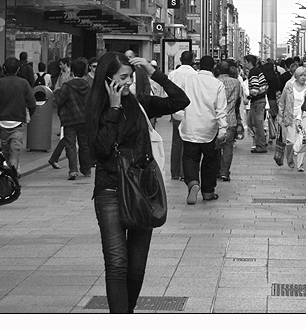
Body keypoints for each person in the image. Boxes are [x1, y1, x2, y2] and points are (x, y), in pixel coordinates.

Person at [87, 52, 189, 313]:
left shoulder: (140, 103)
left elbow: (180, 100)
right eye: (123, 77)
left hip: (143, 190)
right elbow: (100, 150)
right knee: (117, 263)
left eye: (131, 76)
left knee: (136, 267)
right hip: (109, 191)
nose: (129, 82)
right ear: (107, 79)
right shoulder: (97, 108)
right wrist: (113, 108)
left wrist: (152, 73)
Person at [178, 56, 228, 203]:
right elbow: (221, 109)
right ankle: (208, 191)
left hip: (190, 127)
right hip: (209, 129)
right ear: (214, 67)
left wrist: (180, 116)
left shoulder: (189, 81)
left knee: (189, 158)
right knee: (210, 161)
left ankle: (193, 182)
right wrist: (223, 129)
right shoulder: (217, 84)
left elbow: (180, 101)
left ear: (199, 66)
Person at [0, 57, 36, 176]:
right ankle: (13, 174)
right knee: (15, 150)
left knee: (5, 150)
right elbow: (32, 103)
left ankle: (6, 173)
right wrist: (28, 114)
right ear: (18, 69)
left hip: (4, 121)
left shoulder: (0, 82)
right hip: (18, 120)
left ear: (4, 68)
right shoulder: (24, 83)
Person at [53, 59, 93, 180]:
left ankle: (73, 170)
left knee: (70, 145)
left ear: (73, 71)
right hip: (85, 119)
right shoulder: (88, 86)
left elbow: (58, 101)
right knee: (84, 145)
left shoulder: (67, 86)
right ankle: (86, 169)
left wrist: (57, 92)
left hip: (69, 119)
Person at [167, 51, 197, 180]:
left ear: (180, 59)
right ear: (193, 60)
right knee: (188, 143)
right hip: (190, 112)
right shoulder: (195, 75)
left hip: (176, 112)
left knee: (176, 142)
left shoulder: (173, 74)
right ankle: (186, 172)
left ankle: (175, 172)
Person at [278, 65, 306, 172]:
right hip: (290, 115)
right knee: (291, 141)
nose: (303, 77)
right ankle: (289, 157)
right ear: (296, 76)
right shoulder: (289, 85)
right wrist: (281, 115)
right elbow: (282, 101)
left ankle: (300, 164)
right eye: (301, 75)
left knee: (303, 141)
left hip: (303, 117)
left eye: (305, 75)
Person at [216, 60, 241, 182]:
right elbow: (238, 101)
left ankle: (216, 170)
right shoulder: (236, 82)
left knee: (215, 147)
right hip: (230, 118)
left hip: (216, 119)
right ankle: (225, 172)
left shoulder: (214, 82)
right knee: (228, 146)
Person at [242, 54, 268, 153]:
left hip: (257, 101)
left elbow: (255, 88)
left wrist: (248, 98)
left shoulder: (253, 72)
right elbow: (265, 85)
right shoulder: (258, 71)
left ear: (249, 62)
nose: (243, 64)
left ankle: (261, 145)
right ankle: (260, 142)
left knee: (257, 124)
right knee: (251, 122)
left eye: (245, 61)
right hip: (260, 99)